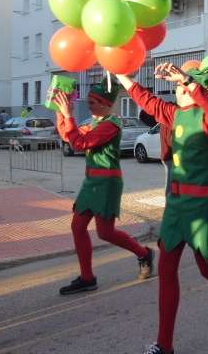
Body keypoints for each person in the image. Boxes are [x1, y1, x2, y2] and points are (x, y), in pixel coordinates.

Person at [116, 63, 208, 354]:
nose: (177, 89)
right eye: (177, 85)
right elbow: (149, 101)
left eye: (182, 86)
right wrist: (121, 76)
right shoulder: (175, 114)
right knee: (167, 271)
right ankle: (164, 345)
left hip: (201, 205)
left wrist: (188, 80)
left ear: (194, 89)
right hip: (175, 206)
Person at [53, 79, 154, 296]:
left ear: (105, 103)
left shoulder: (111, 124)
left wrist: (69, 115)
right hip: (91, 182)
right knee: (78, 227)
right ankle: (87, 277)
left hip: (107, 183)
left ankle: (144, 253)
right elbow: (68, 135)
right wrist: (61, 111)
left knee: (105, 233)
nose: (88, 105)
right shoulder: (95, 122)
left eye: (92, 102)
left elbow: (79, 144)